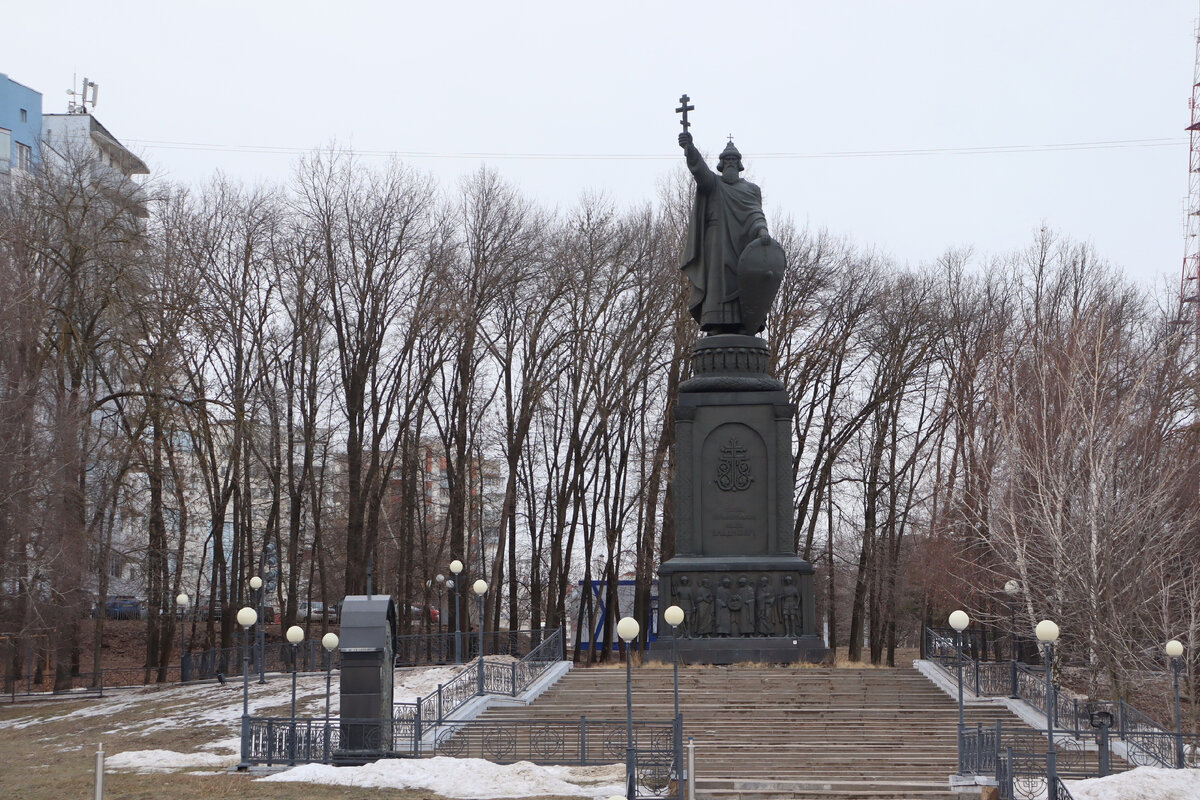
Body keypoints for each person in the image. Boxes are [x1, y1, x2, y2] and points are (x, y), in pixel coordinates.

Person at [678, 131, 771, 334]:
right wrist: (690, 149)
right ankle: (715, 322)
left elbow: (756, 213)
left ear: (739, 164)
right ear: (721, 164)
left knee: (744, 281)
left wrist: (762, 230)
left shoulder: (751, 190)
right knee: (717, 283)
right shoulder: (714, 184)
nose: (730, 162)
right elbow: (699, 171)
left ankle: (745, 323)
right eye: (726, 159)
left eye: (733, 159)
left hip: (744, 244)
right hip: (717, 243)